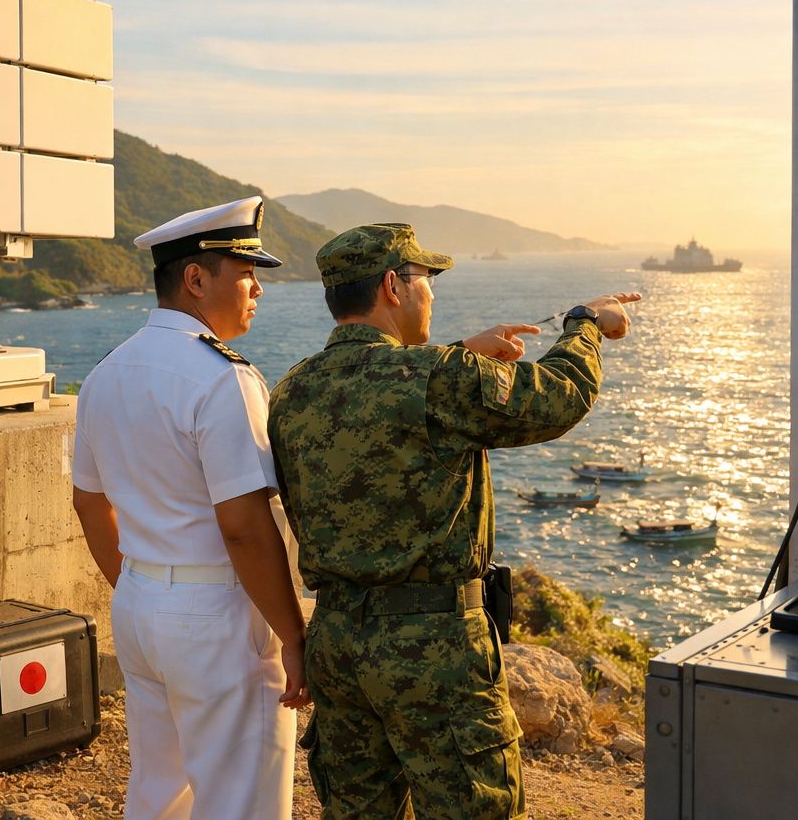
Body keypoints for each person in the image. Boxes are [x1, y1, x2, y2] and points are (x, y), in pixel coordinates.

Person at [268, 223, 639, 820]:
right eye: (426, 280)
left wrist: (461, 356)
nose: (431, 295)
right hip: (434, 646)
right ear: (393, 285)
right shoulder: (438, 378)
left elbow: (382, 411)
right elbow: (559, 396)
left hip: (337, 644)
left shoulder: (292, 390)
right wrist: (588, 324)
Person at [71, 196, 309, 820]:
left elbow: (89, 503)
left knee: (160, 792)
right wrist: (293, 634)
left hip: (141, 604)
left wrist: (142, 586)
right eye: (245, 272)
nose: (258, 288)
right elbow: (245, 529)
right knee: (243, 803)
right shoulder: (221, 378)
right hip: (216, 616)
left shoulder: (105, 374)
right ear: (196, 279)